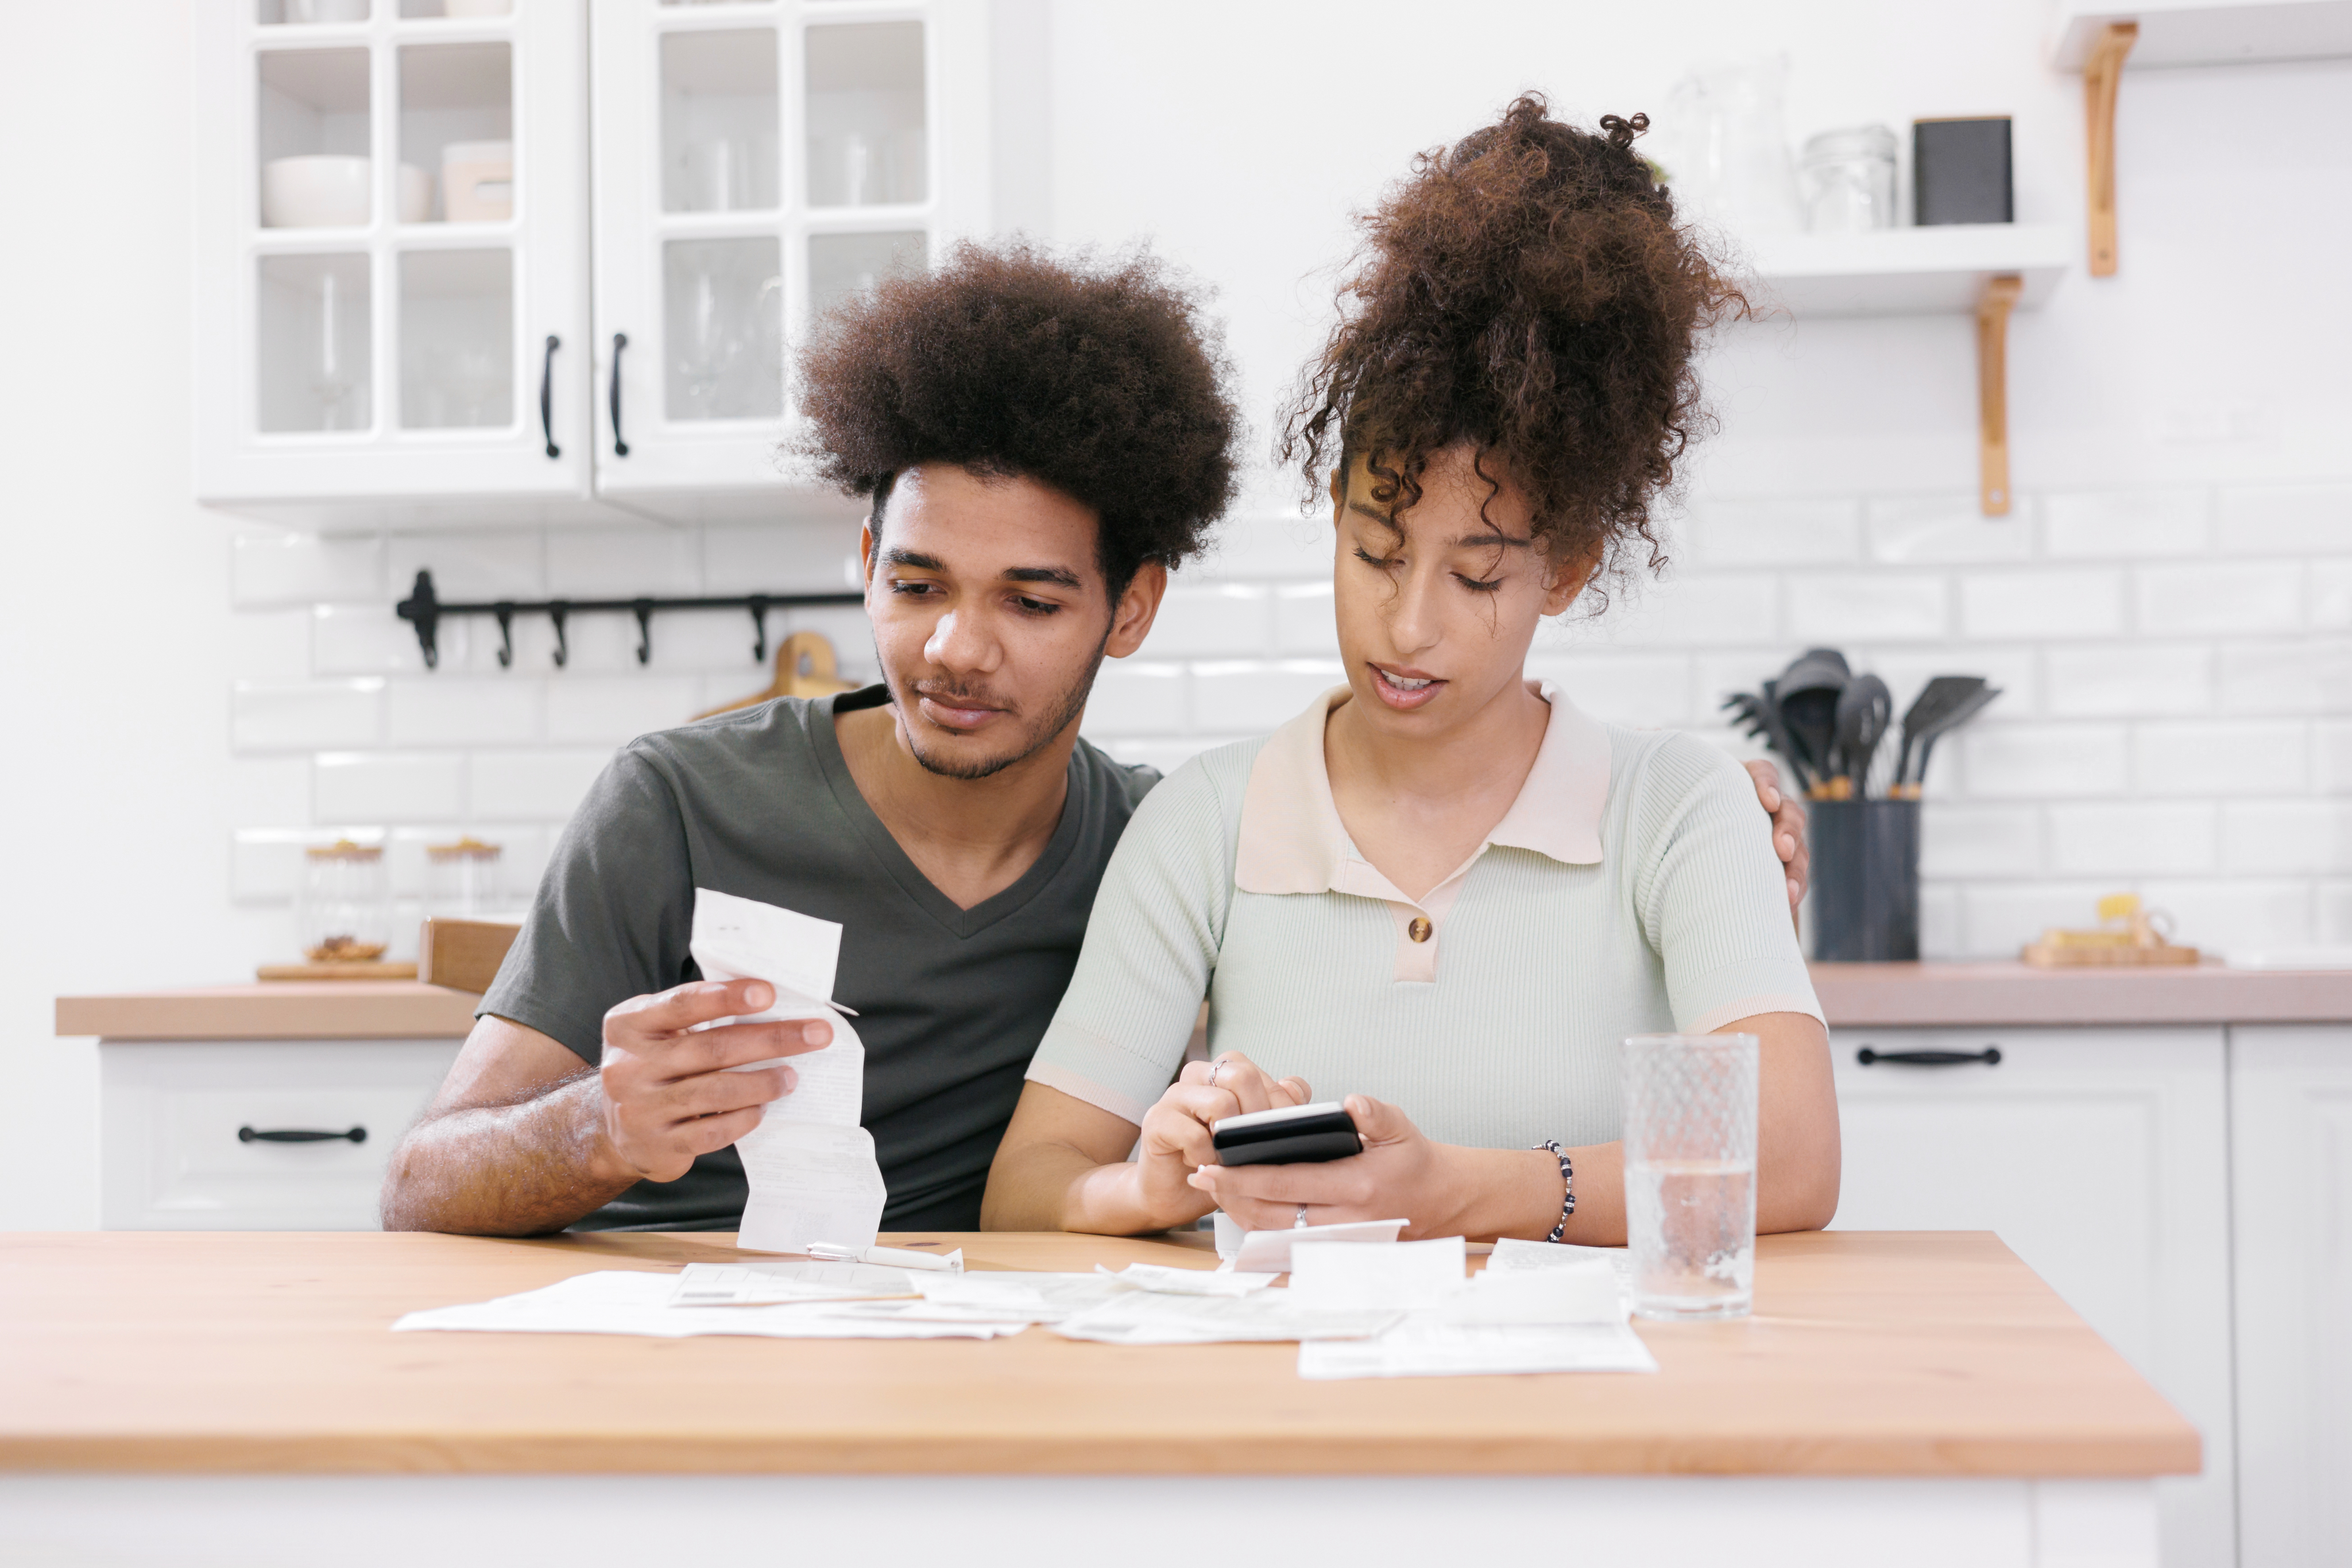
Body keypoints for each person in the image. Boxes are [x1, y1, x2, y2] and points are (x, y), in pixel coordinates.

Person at [381, 238, 1812, 1238]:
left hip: (959, 1365)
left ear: (1128, 611)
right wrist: (594, 1130)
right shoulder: (677, 805)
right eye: (918, 584)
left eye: (1029, 599)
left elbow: (1774, 1148)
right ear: (865, 556)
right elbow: (419, 1181)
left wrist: (1704, 815)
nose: (954, 649)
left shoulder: (1153, 834)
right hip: (637, 1348)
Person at [983, 99, 1840, 1245]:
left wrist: (1451, 1191)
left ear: (1567, 569)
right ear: (1332, 514)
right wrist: (1145, 1184)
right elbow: (1029, 1184)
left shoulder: (1678, 810)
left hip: (1597, 1414)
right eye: (1374, 553)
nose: (1407, 624)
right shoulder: (1208, 822)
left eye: (1477, 579)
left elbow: (1787, 1160)